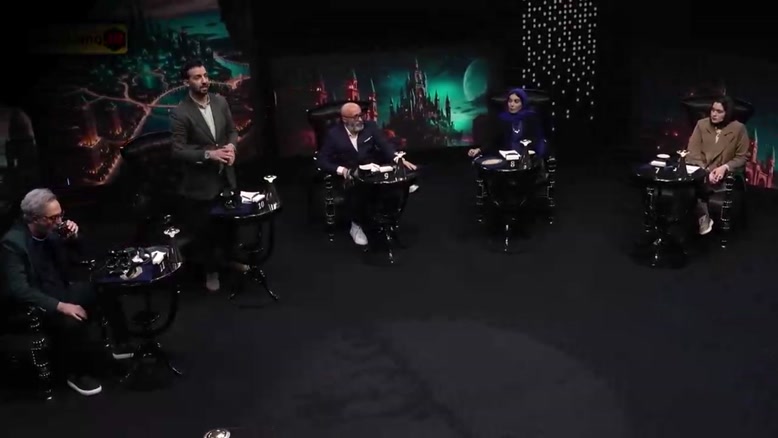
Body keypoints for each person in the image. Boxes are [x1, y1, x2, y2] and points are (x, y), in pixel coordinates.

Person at [0, 189, 132, 396]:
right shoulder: (13, 242)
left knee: (105, 287)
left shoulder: (53, 231)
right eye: (53, 218)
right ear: (34, 218)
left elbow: (82, 256)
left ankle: (121, 343)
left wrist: (74, 237)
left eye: (60, 214)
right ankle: (75, 373)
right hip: (39, 301)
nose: (59, 221)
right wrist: (60, 306)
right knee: (71, 318)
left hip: (61, 289)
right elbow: (19, 289)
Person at [170, 59, 240, 292]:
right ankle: (211, 272)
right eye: (197, 77)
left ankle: (229, 262)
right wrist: (209, 155)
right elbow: (178, 150)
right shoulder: (180, 113)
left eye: (206, 76)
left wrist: (231, 147)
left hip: (226, 178)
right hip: (200, 184)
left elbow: (232, 131)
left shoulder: (220, 102)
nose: (204, 80)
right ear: (186, 82)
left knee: (230, 226)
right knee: (205, 233)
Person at [317, 102, 417, 245]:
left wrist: (397, 158)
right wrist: (342, 170)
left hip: (371, 168)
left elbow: (384, 145)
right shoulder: (334, 135)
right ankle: (356, 225)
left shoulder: (370, 127)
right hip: (349, 173)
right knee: (358, 190)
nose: (360, 119)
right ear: (344, 119)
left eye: (361, 115)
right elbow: (322, 160)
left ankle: (385, 221)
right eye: (355, 116)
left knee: (392, 182)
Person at [685, 95, 749, 235]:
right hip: (701, 172)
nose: (714, 114)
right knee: (688, 185)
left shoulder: (739, 129)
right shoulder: (701, 125)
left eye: (719, 111)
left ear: (727, 113)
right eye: (713, 110)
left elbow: (742, 157)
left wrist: (725, 167)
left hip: (723, 177)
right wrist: (705, 172)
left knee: (693, 188)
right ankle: (703, 217)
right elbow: (692, 153)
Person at [468, 88, 546, 158]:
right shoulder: (502, 118)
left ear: (523, 103)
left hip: (526, 157)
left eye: (516, 101)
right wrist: (479, 150)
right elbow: (494, 141)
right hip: (506, 157)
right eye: (510, 101)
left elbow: (537, 140)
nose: (512, 104)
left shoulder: (531, 118)